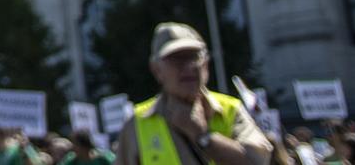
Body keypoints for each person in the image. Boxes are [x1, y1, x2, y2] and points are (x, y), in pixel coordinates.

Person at [115, 22, 271, 165]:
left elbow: (257, 162)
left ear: (206, 64)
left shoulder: (230, 110)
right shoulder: (137, 123)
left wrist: (202, 136)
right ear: (156, 70)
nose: (189, 66)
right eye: (176, 59)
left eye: (194, 56)